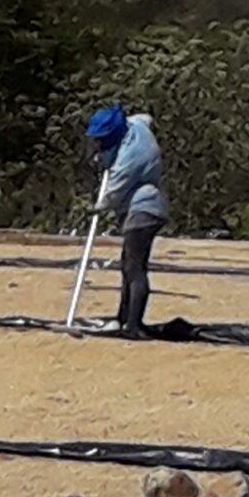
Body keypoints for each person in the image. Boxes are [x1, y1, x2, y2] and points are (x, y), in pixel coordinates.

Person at [86, 105, 167, 339]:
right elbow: (145, 117)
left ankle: (134, 325)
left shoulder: (133, 153)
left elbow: (115, 189)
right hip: (142, 209)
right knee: (127, 267)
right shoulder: (135, 127)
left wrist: (98, 207)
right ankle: (123, 318)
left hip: (144, 210)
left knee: (135, 269)